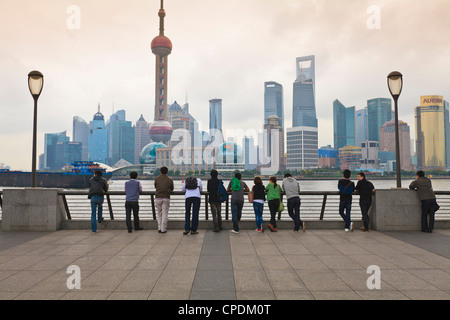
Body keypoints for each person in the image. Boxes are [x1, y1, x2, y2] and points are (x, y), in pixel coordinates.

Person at [154, 166, 174, 234]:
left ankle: (159, 228)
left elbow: (155, 186)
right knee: (165, 214)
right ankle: (163, 229)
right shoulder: (170, 179)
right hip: (166, 197)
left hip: (158, 197)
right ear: (167, 172)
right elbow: (172, 188)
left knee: (159, 214)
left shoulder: (156, 179)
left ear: (160, 172)